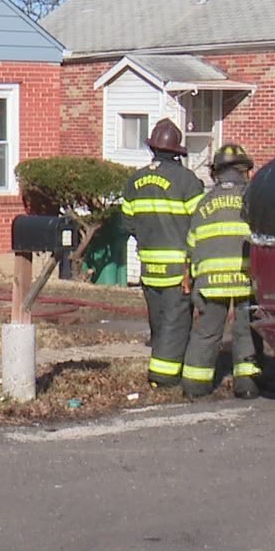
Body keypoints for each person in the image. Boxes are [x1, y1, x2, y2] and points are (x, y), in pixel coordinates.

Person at [121, 119, 206, 388]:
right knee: (176, 322)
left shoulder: (134, 181)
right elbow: (200, 223)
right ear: (176, 152)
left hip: (148, 266)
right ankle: (164, 376)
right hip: (178, 269)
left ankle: (160, 364)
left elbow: (127, 223)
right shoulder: (187, 181)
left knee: (158, 320)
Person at [182, 143, 259, 399]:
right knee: (245, 330)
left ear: (216, 172)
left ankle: (195, 386)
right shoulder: (252, 200)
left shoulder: (203, 204)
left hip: (210, 281)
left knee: (206, 332)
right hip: (245, 279)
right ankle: (247, 384)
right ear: (244, 170)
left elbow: (191, 243)